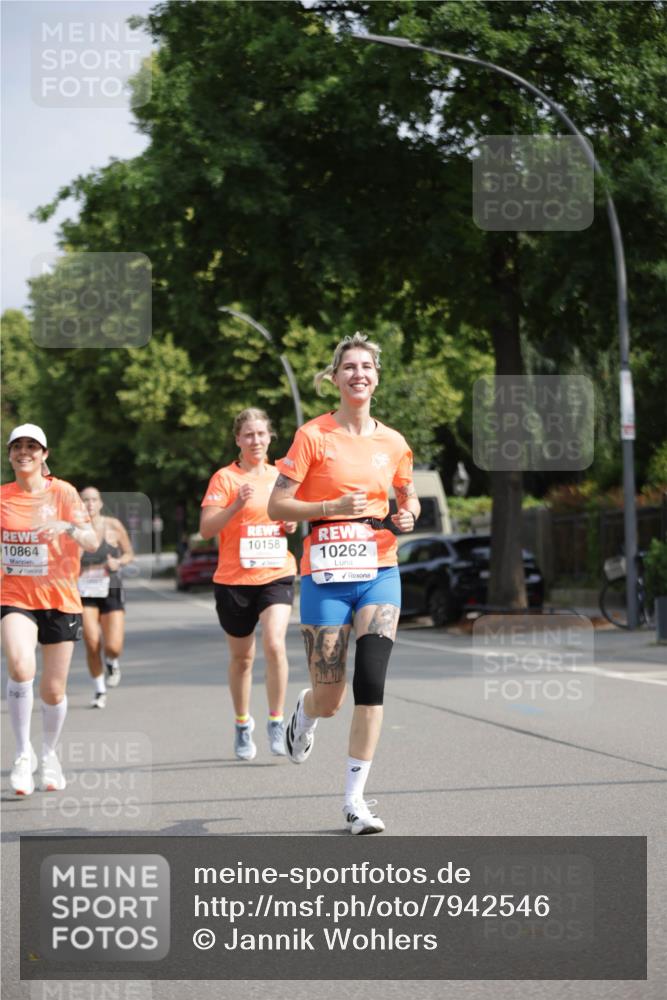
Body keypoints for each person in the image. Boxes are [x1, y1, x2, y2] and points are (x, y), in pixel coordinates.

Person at [267, 333, 420, 835]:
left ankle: (355, 801)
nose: (359, 374)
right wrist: (329, 508)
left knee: (372, 684)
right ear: (334, 378)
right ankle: (304, 715)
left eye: (367, 367)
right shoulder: (313, 436)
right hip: (325, 574)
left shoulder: (394, 442)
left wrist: (409, 514)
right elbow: (277, 505)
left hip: (380, 570)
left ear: (377, 376)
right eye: (349, 367)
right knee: (330, 696)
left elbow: (407, 495)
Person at [1, 424, 97, 795]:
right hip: (15, 596)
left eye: (32, 447)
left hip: (59, 598)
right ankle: (23, 754)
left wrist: (67, 527)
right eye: (17, 447)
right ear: (10, 454)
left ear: (45, 454)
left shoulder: (63, 492)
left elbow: (91, 541)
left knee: (54, 690)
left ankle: (49, 754)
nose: (24, 452)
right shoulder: (3, 497)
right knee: (20, 665)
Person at [199, 408, 298, 761]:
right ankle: (243, 723)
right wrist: (235, 507)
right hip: (233, 580)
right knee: (242, 659)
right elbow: (207, 529)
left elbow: (292, 517)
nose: (256, 440)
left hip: (275, 572)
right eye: (248, 435)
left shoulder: (281, 477)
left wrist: (290, 525)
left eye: (261, 434)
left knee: (274, 643)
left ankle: (276, 720)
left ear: (270, 437)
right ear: (238, 440)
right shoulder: (225, 479)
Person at [78, 487, 134, 707]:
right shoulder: (74, 530)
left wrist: (118, 562)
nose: (89, 504)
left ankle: (112, 661)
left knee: (113, 646)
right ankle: (99, 690)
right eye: (84, 500)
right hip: (84, 591)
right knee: (92, 642)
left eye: (93, 500)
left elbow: (129, 553)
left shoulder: (113, 525)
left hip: (111, 588)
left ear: (100, 503)